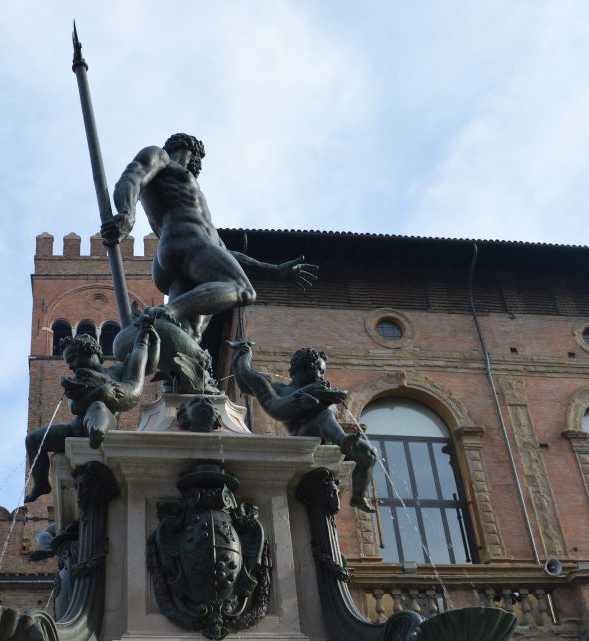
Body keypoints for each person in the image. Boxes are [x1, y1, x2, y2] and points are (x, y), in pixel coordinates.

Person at [101, 133, 318, 342]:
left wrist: (274, 271)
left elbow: (221, 251)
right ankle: (163, 313)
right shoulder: (161, 157)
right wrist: (127, 214)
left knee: (188, 336)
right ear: (191, 151)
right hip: (185, 241)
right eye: (199, 160)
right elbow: (131, 177)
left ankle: (171, 372)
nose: (200, 167)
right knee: (243, 290)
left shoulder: (189, 195)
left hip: (183, 252)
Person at [230, 341, 378, 512]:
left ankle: (358, 498)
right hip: (305, 438)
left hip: (329, 440)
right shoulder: (280, 389)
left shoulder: (321, 388)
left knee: (368, 454)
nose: (322, 376)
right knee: (322, 415)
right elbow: (245, 382)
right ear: (305, 367)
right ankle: (343, 439)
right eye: (320, 370)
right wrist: (242, 355)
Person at [24, 314, 155, 502]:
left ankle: (96, 433)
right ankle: (41, 483)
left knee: (98, 407)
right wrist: (101, 391)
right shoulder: (78, 379)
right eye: (68, 362)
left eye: (73, 359)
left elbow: (144, 361)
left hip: (103, 422)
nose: (71, 366)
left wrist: (146, 334)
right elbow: (75, 407)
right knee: (33, 439)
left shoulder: (117, 371)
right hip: (75, 429)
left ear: (92, 352)